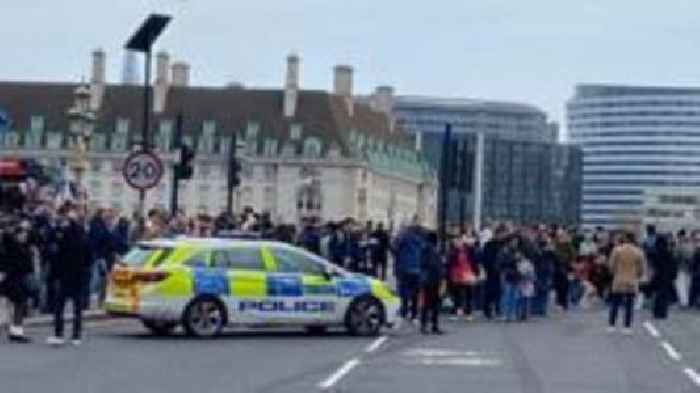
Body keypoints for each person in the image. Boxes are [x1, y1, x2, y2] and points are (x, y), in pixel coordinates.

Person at [47, 206, 91, 346]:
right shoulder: (83, 237)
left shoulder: (64, 237)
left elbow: (56, 257)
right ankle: (76, 336)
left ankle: (59, 334)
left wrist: (54, 275)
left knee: (59, 306)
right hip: (79, 276)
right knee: (77, 308)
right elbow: (88, 258)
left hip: (65, 276)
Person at [0, 221, 34, 343]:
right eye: (22, 234)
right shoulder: (12, 245)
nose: (24, 236)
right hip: (11, 279)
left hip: (15, 279)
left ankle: (16, 331)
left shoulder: (21, 246)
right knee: (19, 302)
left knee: (19, 303)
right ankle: (16, 332)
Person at [607, 232, 646, 335]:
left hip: (619, 279)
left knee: (615, 303)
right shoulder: (638, 252)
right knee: (629, 304)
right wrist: (637, 275)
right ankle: (627, 327)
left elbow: (611, 265)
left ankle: (612, 325)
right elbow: (641, 269)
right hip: (631, 280)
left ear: (625, 239)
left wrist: (615, 273)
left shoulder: (617, 250)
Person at [393, 218, 424, 322]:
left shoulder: (404, 236)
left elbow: (395, 248)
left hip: (405, 267)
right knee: (415, 292)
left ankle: (404, 312)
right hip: (417, 268)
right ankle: (414, 315)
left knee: (404, 291)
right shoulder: (421, 237)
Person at [447, 235, 480, 321]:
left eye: (459, 241)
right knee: (457, 294)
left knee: (469, 294)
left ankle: (468, 313)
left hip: (468, 274)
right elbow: (450, 263)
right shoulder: (453, 252)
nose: (458, 243)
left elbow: (474, 261)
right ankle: (457, 312)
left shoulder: (469, 250)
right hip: (457, 274)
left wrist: (476, 273)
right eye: (457, 241)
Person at [419, 232, 445, 335]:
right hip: (431, 279)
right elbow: (434, 265)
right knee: (433, 304)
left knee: (427, 304)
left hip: (428, 279)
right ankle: (432, 326)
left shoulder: (426, 248)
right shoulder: (431, 249)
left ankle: (426, 325)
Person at [482, 226, 507, 319]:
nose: (502, 236)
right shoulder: (489, 244)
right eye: (501, 234)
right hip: (492, 271)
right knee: (490, 291)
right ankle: (487, 310)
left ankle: (498, 309)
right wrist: (490, 267)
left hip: (500, 271)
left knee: (499, 292)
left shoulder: (503, 244)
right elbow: (486, 258)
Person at [650, 235, 678, 320]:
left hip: (658, 276)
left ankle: (656, 312)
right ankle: (663, 313)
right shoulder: (669, 253)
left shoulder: (656, 252)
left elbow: (654, 265)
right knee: (664, 296)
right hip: (667, 277)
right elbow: (674, 265)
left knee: (657, 295)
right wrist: (673, 275)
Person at [516, 250, 535, 321]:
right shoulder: (518, 263)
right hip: (522, 282)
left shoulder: (527, 263)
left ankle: (526, 314)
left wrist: (525, 275)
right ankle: (522, 314)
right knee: (522, 299)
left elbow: (531, 273)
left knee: (526, 299)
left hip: (527, 282)